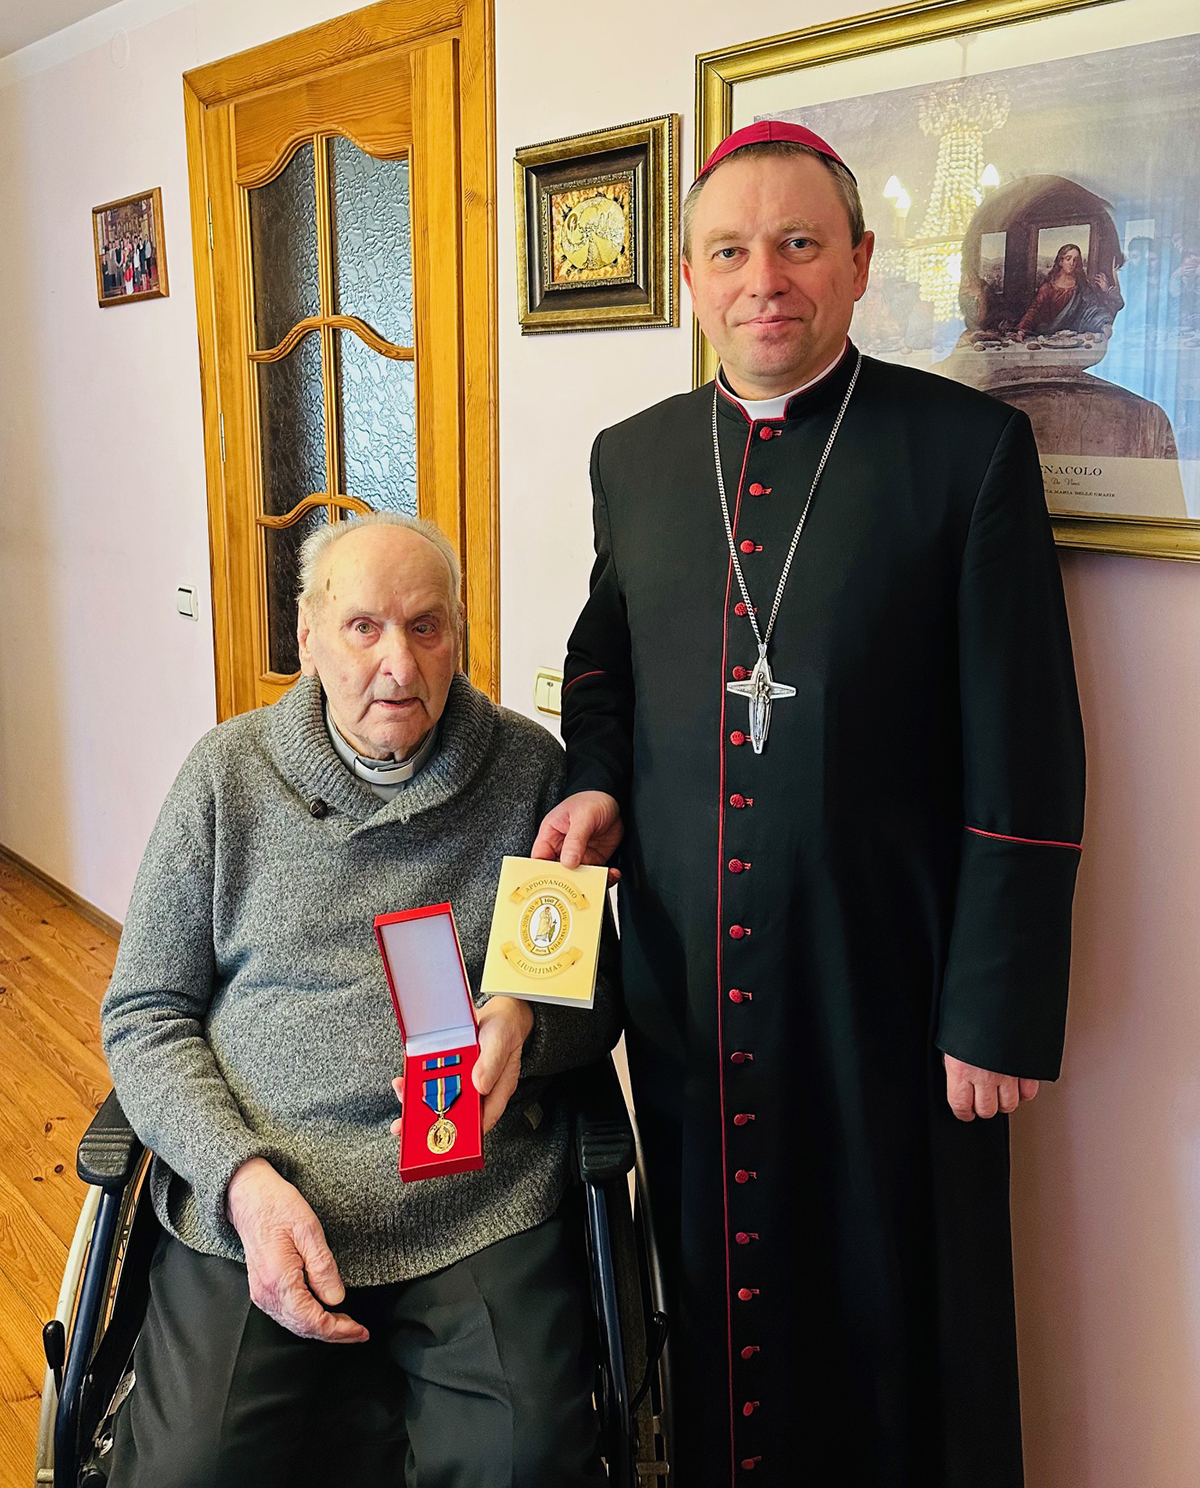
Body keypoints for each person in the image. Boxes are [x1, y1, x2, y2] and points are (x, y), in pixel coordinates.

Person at [533, 120, 1085, 1487]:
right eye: (729, 251)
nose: (763, 279)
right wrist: (595, 783)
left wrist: (998, 1008)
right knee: (716, 1300)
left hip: (890, 984)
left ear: (859, 263)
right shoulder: (634, 458)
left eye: (797, 244)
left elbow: (1027, 746)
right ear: (689, 276)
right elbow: (601, 666)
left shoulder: (968, 451)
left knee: (898, 1305)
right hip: (691, 989)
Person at [102, 511, 618, 1488]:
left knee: (523, 1463)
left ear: (459, 635)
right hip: (263, 1193)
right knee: (186, 1471)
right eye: (363, 627)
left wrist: (526, 1020)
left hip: (474, 1196)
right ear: (307, 636)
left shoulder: (528, 775)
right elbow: (145, 1013)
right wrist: (238, 1178)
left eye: (427, 627)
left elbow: (594, 1000)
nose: (398, 664)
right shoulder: (225, 777)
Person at [1014, 242, 1119, 339]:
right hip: (1050, 334)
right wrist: (1021, 330)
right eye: (1068, 259)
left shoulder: (1081, 285)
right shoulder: (1049, 287)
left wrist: (1107, 292)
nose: (1072, 263)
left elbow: (1093, 308)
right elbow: (1035, 309)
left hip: (1075, 335)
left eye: (1075, 260)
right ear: (1061, 261)